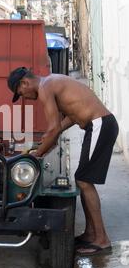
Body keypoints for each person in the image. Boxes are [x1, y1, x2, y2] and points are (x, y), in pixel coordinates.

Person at [7, 67, 119, 256]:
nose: (24, 97)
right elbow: (63, 122)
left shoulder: (45, 87)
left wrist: (38, 154)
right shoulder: (51, 82)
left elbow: (53, 128)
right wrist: (50, 136)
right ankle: (91, 234)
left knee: (84, 181)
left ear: (25, 83)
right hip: (98, 125)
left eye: (20, 93)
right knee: (82, 180)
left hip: (100, 125)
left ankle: (101, 239)